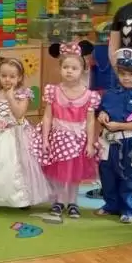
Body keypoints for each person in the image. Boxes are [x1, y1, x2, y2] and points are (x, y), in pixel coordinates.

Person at [32, 41, 99, 220]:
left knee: (74, 173)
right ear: (60, 68)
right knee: (59, 172)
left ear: (83, 70)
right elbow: (47, 116)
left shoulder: (89, 95)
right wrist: (45, 139)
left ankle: (73, 202)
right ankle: (59, 200)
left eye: (74, 68)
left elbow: (90, 121)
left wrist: (90, 143)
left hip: (78, 139)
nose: (69, 71)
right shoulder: (53, 91)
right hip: (58, 137)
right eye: (66, 67)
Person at [0, 58, 50, 208]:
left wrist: (10, 97)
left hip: (16, 134)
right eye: (3, 76)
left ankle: (21, 199)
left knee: (16, 165)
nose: (7, 79)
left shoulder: (23, 94)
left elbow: (19, 114)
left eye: (12, 76)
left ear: (19, 77)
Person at [95, 49, 132, 224]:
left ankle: (128, 209)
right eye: (122, 74)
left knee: (127, 175)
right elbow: (101, 110)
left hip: (129, 141)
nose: (126, 78)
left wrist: (122, 126)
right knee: (106, 173)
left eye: (131, 74)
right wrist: (102, 115)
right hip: (107, 140)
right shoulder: (110, 93)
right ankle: (111, 205)